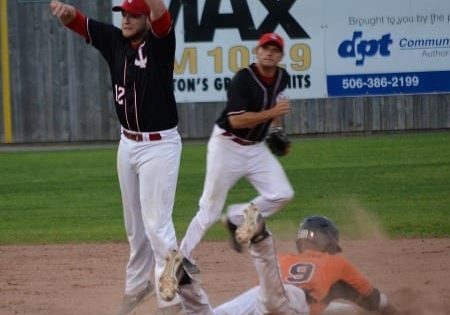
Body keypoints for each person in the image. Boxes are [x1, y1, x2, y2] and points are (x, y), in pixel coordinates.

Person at [49, 1, 184, 314]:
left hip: (158, 146)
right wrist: (68, 15)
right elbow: (82, 24)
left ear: (146, 19)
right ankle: (138, 285)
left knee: (157, 226)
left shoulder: (161, 44)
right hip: (128, 143)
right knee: (135, 226)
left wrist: (151, 8)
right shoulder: (114, 41)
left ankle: (171, 299)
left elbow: (162, 14)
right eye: (123, 13)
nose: (125, 19)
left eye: (133, 14)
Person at [180, 32, 294, 273]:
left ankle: (235, 217)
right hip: (227, 146)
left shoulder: (283, 76)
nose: (269, 53)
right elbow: (237, 121)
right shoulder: (243, 79)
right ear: (257, 52)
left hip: (256, 149)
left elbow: (278, 106)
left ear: (281, 55)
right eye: (266, 48)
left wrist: (276, 130)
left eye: (275, 49)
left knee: (282, 194)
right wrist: (272, 112)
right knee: (209, 208)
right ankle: (182, 257)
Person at [158, 206, 401, 315]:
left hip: (260, 296)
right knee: (275, 298)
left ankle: (184, 280)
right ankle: (260, 235)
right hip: (288, 302)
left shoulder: (286, 259)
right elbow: (377, 301)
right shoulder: (335, 264)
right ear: (329, 242)